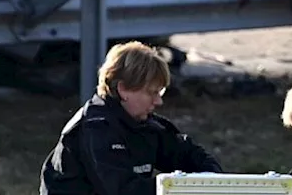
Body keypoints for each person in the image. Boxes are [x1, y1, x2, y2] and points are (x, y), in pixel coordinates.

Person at [39, 41, 223, 194]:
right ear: (123, 89)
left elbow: (189, 154)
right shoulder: (96, 129)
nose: (158, 101)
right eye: (152, 92)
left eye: (161, 92)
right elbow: (123, 191)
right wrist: (178, 187)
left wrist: (212, 180)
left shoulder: (145, 125)